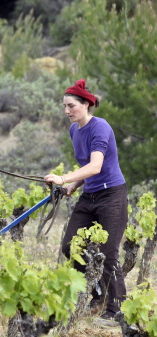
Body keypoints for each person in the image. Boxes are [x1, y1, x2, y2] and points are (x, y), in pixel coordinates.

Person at [44, 79, 127, 320]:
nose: (67, 111)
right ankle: (97, 291)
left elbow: (96, 165)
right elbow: (86, 168)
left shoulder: (100, 127)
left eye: (71, 106)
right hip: (89, 195)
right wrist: (72, 185)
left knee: (109, 254)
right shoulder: (74, 130)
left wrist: (63, 178)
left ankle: (116, 310)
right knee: (71, 246)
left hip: (111, 195)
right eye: (64, 106)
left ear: (86, 104)